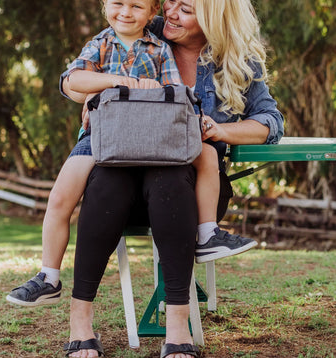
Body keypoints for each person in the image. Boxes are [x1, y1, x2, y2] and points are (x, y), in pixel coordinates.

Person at [64, 0, 284, 356]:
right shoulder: (140, 36)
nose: (171, 13)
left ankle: (177, 330)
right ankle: (80, 323)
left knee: (170, 180)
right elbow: (73, 83)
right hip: (123, 178)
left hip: (193, 191)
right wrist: (93, 94)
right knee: (106, 182)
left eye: (186, 8)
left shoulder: (236, 62)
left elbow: (270, 122)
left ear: (213, 18)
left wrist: (221, 130)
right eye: (170, 3)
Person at [5, 0, 257, 308]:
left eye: (136, 6)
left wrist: (180, 106)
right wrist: (117, 83)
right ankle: (48, 276)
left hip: (152, 135)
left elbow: (180, 97)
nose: (125, 13)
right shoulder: (102, 42)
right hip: (103, 134)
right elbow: (72, 80)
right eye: (118, 3)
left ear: (151, 14)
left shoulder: (159, 49)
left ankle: (208, 234)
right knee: (60, 196)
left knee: (207, 155)